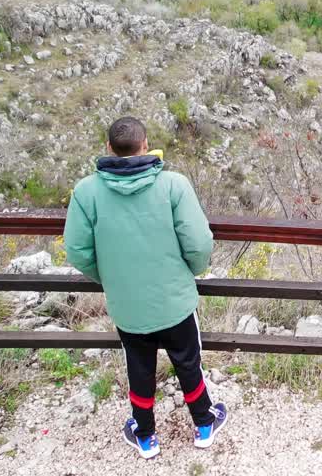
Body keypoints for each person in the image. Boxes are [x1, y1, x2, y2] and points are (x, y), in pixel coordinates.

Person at [63, 116, 227, 459]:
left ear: (108, 148)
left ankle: (146, 435)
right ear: (146, 143)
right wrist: (190, 272)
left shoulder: (86, 192)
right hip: (175, 301)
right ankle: (203, 424)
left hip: (128, 306)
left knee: (138, 366)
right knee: (188, 361)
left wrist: (112, 277)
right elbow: (198, 245)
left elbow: (78, 252)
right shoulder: (173, 185)